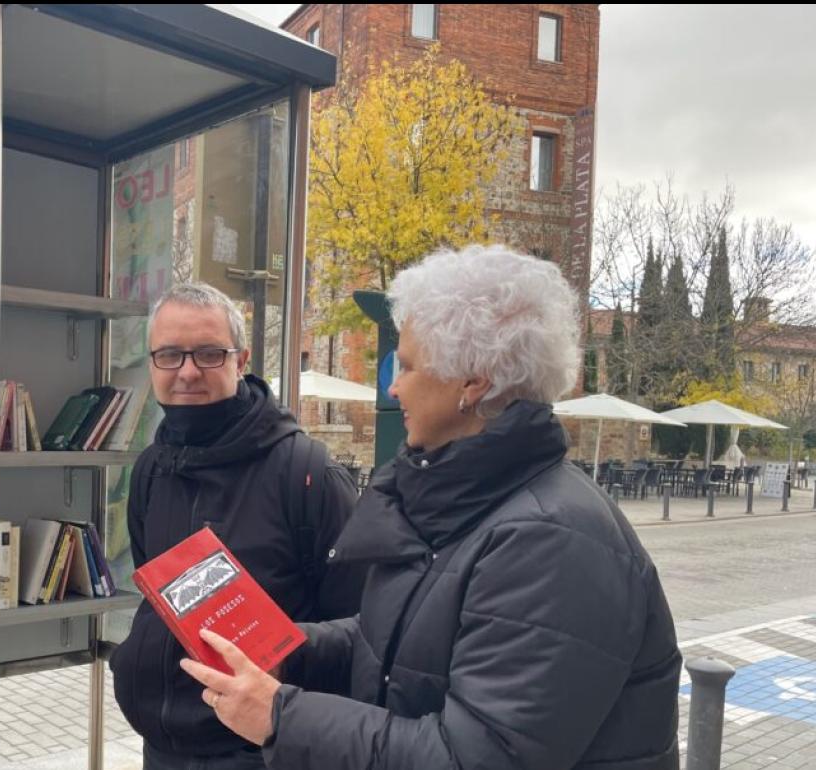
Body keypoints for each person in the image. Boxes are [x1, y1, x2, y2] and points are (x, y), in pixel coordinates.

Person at [180, 246, 682, 769]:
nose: (394, 386)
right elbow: (398, 641)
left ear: (473, 384)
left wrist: (280, 718)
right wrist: (287, 647)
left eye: (409, 365)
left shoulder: (551, 539)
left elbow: (476, 757)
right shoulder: (468, 498)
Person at [110, 282, 367, 770]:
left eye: (208, 353)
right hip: (162, 748)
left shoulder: (307, 474)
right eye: (169, 354)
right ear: (152, 362)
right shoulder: (150, 469)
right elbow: (156, 596)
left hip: (260, 752)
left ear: (241, 359)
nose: (186, 371)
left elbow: (359, 628)